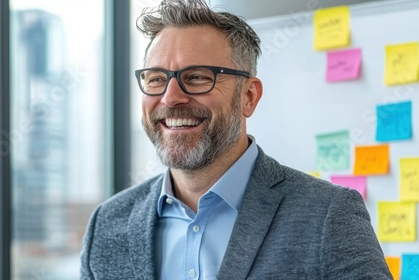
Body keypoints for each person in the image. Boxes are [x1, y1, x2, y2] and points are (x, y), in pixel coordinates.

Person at [81, 0, 392, 279]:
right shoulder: (108, 224)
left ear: (249, 96)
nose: (171, 97)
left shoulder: (328, 214)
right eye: (156, 79)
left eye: (198, 77)